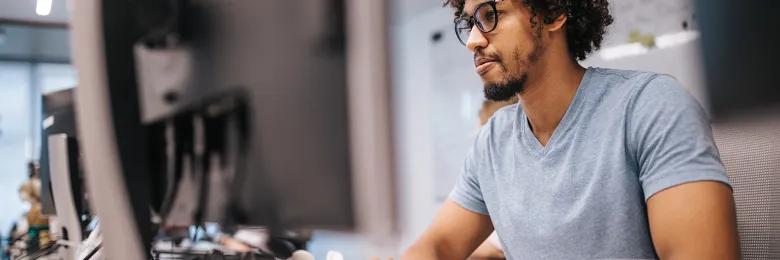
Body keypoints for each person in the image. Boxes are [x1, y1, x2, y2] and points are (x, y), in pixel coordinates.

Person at [403, 0, 740, 259]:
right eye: (469, 22)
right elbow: (438, 247)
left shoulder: (651, 106)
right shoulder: (492, 142)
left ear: (552, 13)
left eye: (490, 15)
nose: (472, 41)